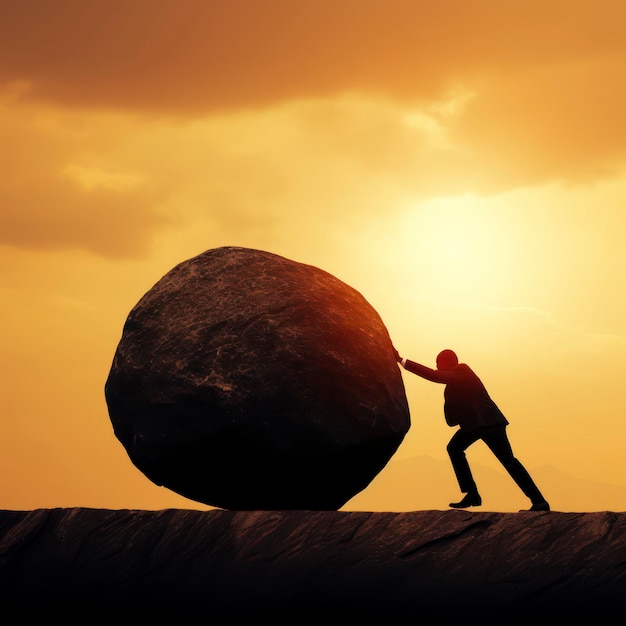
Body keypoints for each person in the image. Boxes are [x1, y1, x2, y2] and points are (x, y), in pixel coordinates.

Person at [393, 347, 550, 512]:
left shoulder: (462, 370)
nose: (438, 368)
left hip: (489, 423)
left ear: (448, 363)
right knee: (454, 448)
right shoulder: (451, 388)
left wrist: (402, 361)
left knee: (508, 461)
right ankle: (472, 494)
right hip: (474, 426)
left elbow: (435, 376)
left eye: (439, 364)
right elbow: (451, 421)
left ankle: (539, 501)